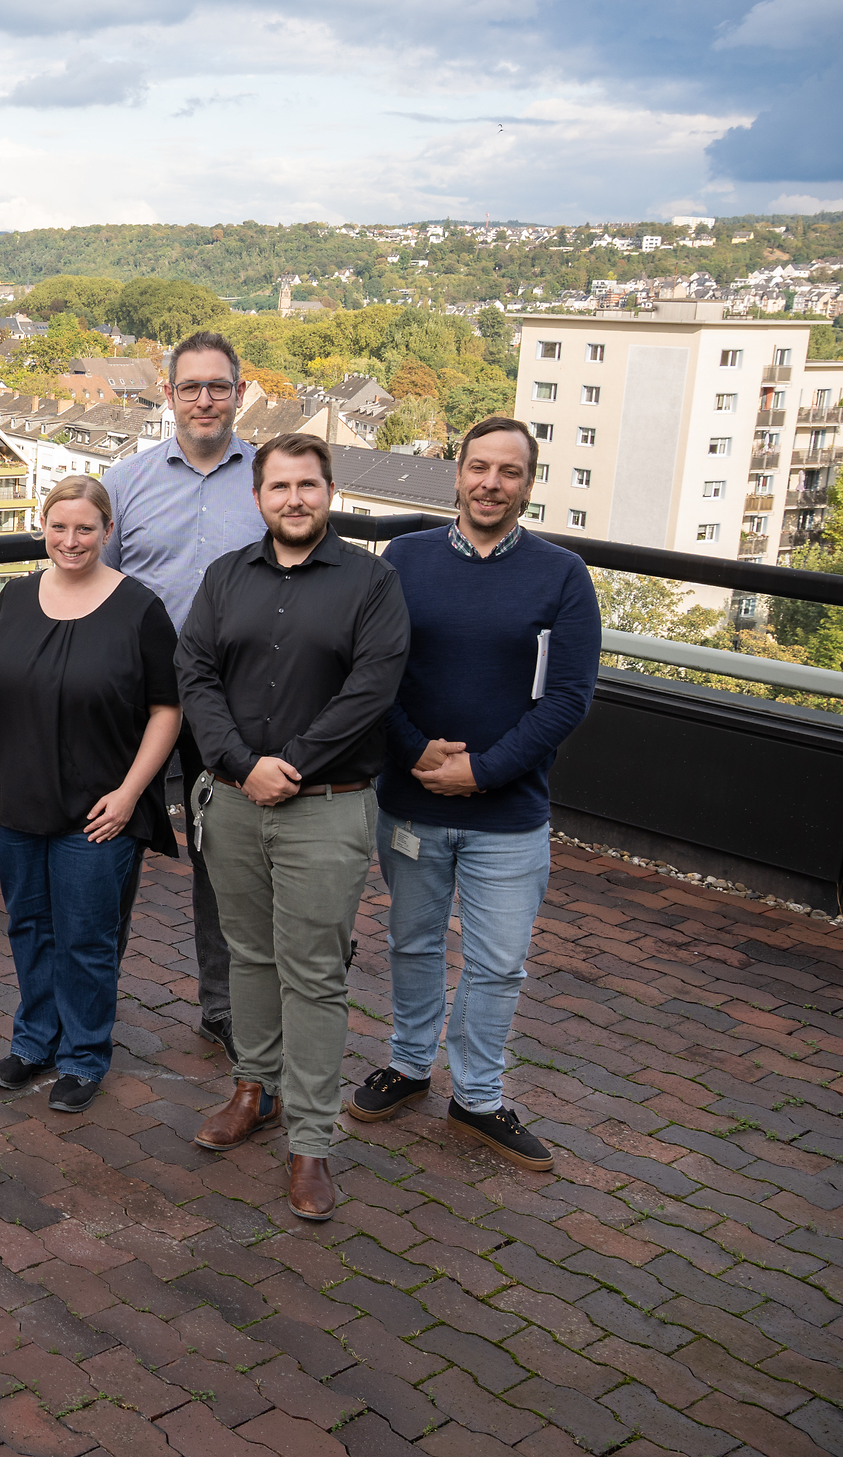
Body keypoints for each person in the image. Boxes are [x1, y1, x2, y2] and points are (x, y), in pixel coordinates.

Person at [347, 415, 599, 1172]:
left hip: (509, 814)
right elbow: (373, 673)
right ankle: (410, 1063)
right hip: (412, 799)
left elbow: (567, 700)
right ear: (456, 473)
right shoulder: (403, 560)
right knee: (412, 942)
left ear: (528, 482)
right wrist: (418, 749)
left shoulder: (562, 576)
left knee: (498, 962)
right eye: (478, 467)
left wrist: (481, 771)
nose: (491, 482)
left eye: (509, 471)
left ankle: (479, 1096)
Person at [177, 432, 408, 1224]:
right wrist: (243, 765)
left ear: (330, 491)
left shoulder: (373, 582)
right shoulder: (222, 577)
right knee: (248, 953)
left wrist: (290, 765)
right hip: (236, 801)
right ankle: (255, 1088)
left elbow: (371, 689)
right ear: (258, 496)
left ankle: (310, 1141)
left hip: (326, 804)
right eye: (279, 486)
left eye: (308, 484)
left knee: (313, 972)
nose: (294, 499)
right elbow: (195, 674)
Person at [0, 476, 182, 1113]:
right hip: (16, 798)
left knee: (87, 938)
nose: (70, 540)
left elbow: (166, 710)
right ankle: (34, 1043)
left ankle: (84, 1056)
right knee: (29, 927)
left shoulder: (140, 608)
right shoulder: (13, 596)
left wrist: (130, 795)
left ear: (108, 532)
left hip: (99, 810)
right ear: (43, 526)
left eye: (85, 528)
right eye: (59, 527)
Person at [102, 330, 267, 1061]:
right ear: (167, 393)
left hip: (228, 703)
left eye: (219, 385)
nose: (205, 398)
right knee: (107, 849)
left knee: (223, 858)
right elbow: (91, 587)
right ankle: (89, 1006)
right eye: (191, 385)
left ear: (239, 392)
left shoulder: (271, 480)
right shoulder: (125, 483)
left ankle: (224, 1007)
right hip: (132, 701)